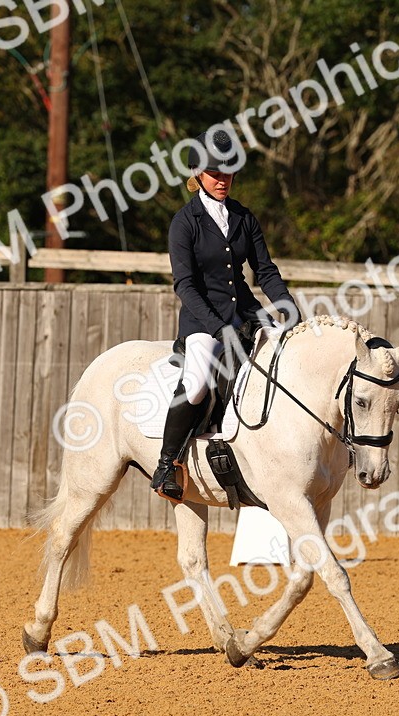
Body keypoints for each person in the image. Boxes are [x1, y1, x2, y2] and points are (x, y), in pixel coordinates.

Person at [150, 129, 302, 502]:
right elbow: (185, 285)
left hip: (247, 315)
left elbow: (264, 271)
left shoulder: (243, 218)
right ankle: (168, 463)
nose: (223, 180)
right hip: (203, 322)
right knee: (199, 380)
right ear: (197, 174)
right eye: (215, 174)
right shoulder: (184, 223)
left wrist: (288, 309)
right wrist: (219, 327)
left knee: (287, 361)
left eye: (228, 173)